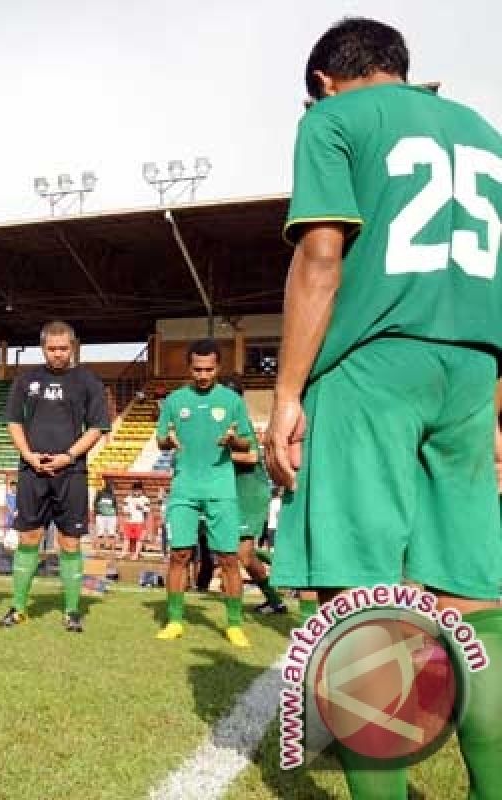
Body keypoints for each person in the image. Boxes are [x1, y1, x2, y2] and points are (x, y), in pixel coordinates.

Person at [264, 18, 502, 798]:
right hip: (471, 370)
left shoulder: (332, 120)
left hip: (371, 367)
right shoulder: (484, 134)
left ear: (324, 82)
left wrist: (289, 391)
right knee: (475, 600)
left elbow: (322, 257)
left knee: (360, 602)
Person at [0, 320, 109, 633]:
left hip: (71, 472)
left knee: (70, 542)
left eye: (63, 348)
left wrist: (68, 456)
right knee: (28, 537)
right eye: (52, 348)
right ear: (43, 348)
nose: (58, 354)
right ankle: (18, 608)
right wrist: (29, 455)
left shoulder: (88, 381)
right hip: (32, 470)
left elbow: (98, 427)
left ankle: (72, 611)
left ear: (72, 347)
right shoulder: (26, 380)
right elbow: (13, 423)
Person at [154, 338, 254, 648]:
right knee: (179, 555)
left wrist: (234, 440)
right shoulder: (174, 401)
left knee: (228, 558)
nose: (203, 375)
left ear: (218, 368)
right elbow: (161, 439)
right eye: (197, 369)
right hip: (184, 487)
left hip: (220, 489)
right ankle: (174, 620)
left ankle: (234, 625)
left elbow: (247, 443)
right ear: (189, 368)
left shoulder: (232, 401)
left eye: (209, 369)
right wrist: (168, 441)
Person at [223, 381, 287, 614]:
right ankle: (273, 594)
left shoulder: (240, 422)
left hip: (249, 493)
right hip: (236, 493)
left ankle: (275, 596)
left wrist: (220, 458)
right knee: (234, 549)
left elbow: (250, 457)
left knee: (243, 553)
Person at [120, 481, 150, 561]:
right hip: (129, 522)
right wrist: (126, 513)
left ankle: (136, 554)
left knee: (139, 539)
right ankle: (124, 552)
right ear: (132, 490)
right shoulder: (128, 498)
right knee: (127, 538)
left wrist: (141, 507)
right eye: (135, 490)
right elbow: (124, 509)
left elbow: (147, 510)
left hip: (139, 522)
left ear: (141, 490)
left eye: (138, 490)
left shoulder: (145, 499)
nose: (136, 492)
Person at [92, 479, 118, 557]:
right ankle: (98, 551)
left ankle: (112, 552)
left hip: (111, 516)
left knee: (112, 534)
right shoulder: (100, 493)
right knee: (100, 533)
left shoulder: (113, 495)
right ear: (108, 486)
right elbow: (95, 504)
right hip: (101, 516)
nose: (113, 488)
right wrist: (96, 514)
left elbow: (115, 506)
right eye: (112, 486)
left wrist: (116, 515)